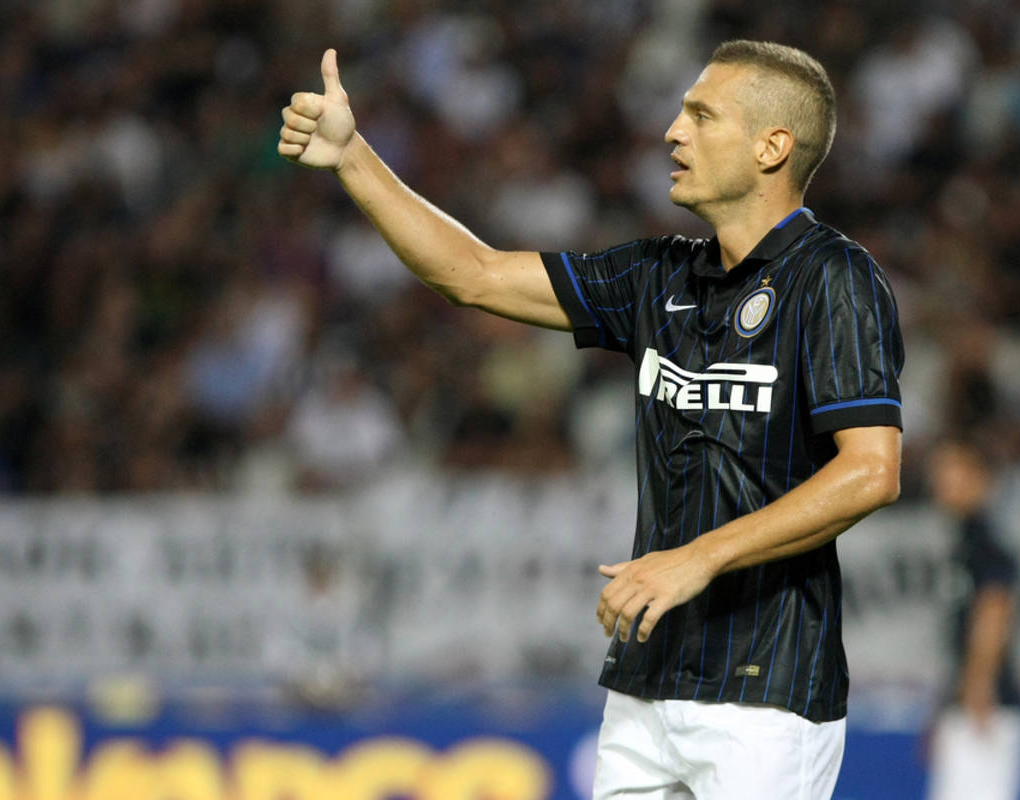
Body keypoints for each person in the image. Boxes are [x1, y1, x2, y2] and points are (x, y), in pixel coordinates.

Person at [279, 40, 904, 800]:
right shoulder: (659, 275)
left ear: (771, 147)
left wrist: (696, 558)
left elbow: (871, 471)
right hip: (645, 685)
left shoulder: (833, 277)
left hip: (765, 694)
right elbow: (474, 274)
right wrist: (352, 159)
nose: (673, 131)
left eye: (702, 115)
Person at [924, 438, 1020, 800]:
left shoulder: (985, 543)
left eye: (952, 469)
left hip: (985, 705)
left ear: (981, 478)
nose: (941, 479)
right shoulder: (964, 540)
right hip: (971, 701)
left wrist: (978, 689)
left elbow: (994, 609)